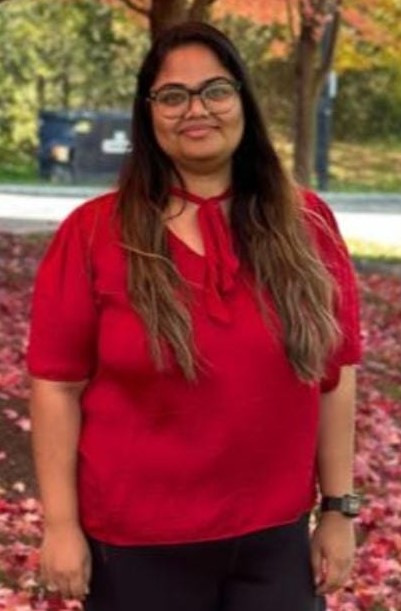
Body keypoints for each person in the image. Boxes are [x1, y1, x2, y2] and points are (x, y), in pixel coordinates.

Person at [27, 21, 362, 611]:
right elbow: (57, 387)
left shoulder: (307, 225)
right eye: (173, 96)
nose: (196, 110)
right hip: (135, 545)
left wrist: (337, 509)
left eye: (215, 90)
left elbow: (335, 375)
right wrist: (60, 525)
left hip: (275, 542)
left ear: (243, 100)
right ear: (149, 113)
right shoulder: (94, 233)